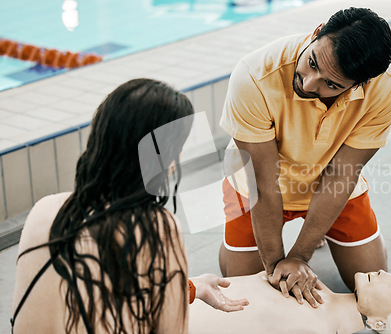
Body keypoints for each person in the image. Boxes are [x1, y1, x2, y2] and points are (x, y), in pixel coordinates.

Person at [11, 78, 247, 334]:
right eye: (176, 149)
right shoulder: (156, 227)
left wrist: (189, 288)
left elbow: (91, 287)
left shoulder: (45, 209)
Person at [218, 7, 391, 306]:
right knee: (243, 296)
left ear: (361, 84)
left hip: (330, 182)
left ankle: (314, 229)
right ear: (318, 31)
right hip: (256, 185)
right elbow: (264, 183)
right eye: (312, 62)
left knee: (376, 293)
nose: (308, 84)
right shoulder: (253, 75)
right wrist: (277, 267)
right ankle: (252, 239)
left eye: (331, 85)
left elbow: (342, 174)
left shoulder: (388, 87)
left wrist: (299, 256)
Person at [189, 270, 391, 334]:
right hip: (182, 295)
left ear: (379, 323)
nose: (382, 272)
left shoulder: (317, 328)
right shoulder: (311, 282)